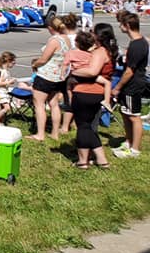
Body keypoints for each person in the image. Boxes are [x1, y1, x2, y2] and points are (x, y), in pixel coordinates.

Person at [67, 24, 116, 168]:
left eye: (92, 32)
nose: (90, 33)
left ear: (98, 36)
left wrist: (73, 72)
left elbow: (92, 72)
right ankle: (101, 159)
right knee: (88, 127)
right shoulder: (108, 51)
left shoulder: (100, 52)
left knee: (82, 126)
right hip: (98, 93)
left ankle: (83, 161)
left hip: (86, 91)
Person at [28, 16, 71, 141]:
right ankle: (55, 133)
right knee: (54, 103)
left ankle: (40, 134)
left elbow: (44, 59)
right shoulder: (66, 39)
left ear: (51, 28)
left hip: (46, 76)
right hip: (58, 76)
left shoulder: (54, 40)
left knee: (39, 104)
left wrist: (34, 64)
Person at [112, 13, 147, 159]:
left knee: (134, 116)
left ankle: (135, 149)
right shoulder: (138, 42)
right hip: (130, 85)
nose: (120, 26)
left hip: (133, 84)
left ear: (127, 26)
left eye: (121, 24)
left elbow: (129, 71)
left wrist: (118, 87)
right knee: (125, 112)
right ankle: (128, 141)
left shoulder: (137, 45)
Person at [63, 32, 113, 111]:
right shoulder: (91, 53)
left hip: (77, 75)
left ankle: (70, 100)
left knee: (69, 86)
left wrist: (64, 74)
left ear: (76, 43)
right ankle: (107, 101)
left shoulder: (71, 53)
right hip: (90, 76)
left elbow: (65, 64)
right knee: (107, 83)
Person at [0, 51, 34, 125]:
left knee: (3, 107)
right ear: (8, 61)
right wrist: (9, 82)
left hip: (3, 91)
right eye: (13, 63)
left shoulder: (6, 71)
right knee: (7, 108)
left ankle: (1, 121)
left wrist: (9, 81)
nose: (14, 65)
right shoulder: (3, 71)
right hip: (0, 92)